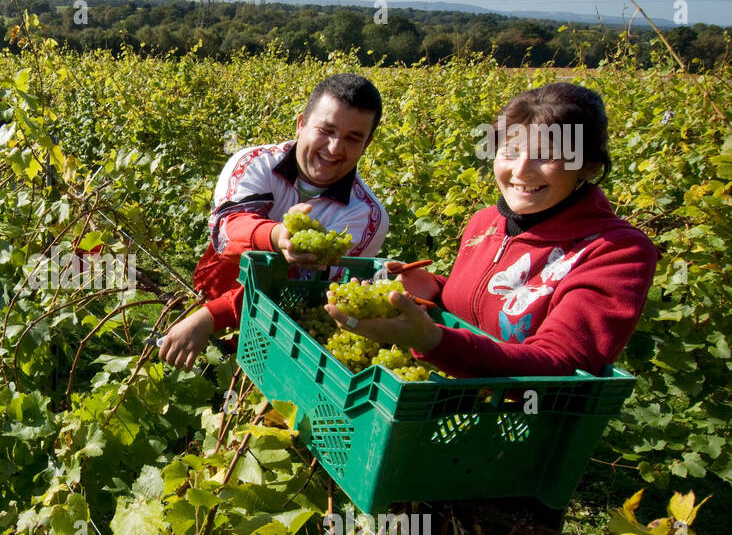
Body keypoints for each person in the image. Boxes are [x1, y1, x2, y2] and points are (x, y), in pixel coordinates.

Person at [324, 82, 657, 380]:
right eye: (510, 151)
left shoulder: (616, 251)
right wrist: (431, 287)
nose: (521, 170)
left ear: (588, 167)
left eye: (546, 156)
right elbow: (478, 307)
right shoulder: (485, 223)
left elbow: (563, 364)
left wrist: (430, 340)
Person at [159, 73, 390, 371]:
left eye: (352, 138)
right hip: (205, 297)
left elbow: (309, 296)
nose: (334, 148)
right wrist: (276, 235)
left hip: (273, 329)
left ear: (367, 143)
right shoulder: (254, 163)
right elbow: (227, 233)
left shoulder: (365, 216)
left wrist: (212, 317)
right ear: (301, 124)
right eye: (326, 130)